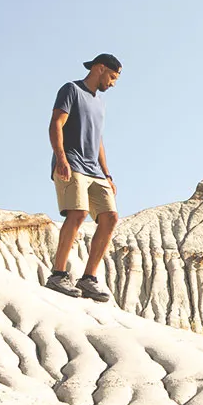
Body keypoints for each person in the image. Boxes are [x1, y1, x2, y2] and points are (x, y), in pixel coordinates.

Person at [45, 54, 122, 301]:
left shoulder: (100, 103)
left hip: (95, 170)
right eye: (112, 77)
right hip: (72, 162)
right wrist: (61, 159)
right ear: (100, 69)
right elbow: (56, 123)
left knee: (110, 217)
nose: (112, 84)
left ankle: (88, 278)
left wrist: (107, 173)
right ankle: (57, 274)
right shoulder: (71, 90)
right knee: (77, 213)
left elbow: (98, 139)